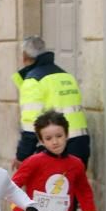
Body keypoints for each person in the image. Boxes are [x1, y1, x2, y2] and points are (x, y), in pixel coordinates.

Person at [12, 36, 90, 168]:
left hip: (54, 151)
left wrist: (22, 156)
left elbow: (30, 126)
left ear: (24, 56)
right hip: (80, 146)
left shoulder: (33, 82)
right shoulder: (66, 76)